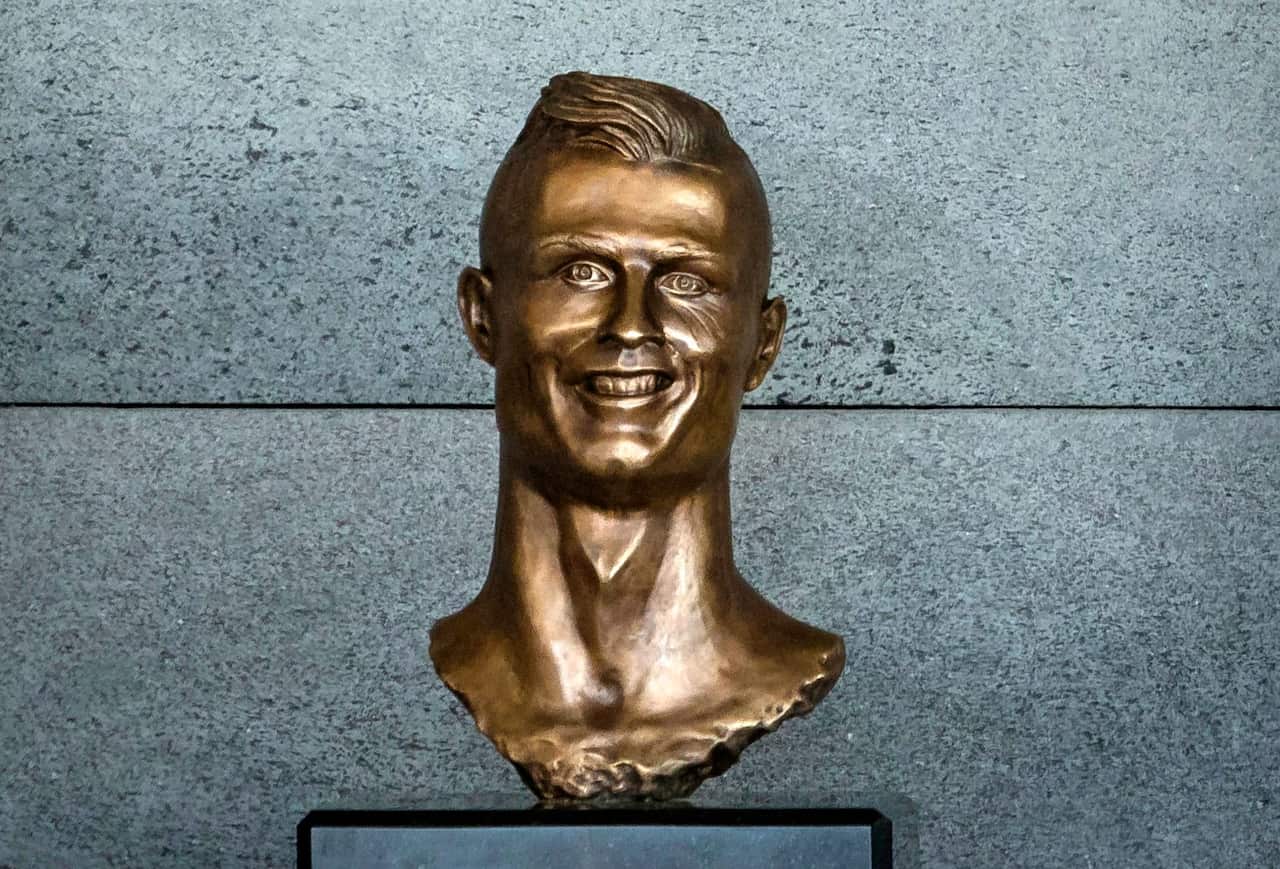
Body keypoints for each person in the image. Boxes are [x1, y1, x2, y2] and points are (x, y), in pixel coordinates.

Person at [430, 71, 844, 799]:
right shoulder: (462, 657)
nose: (631, 325)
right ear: (484, 317)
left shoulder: (787, 665)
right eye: (581, 271)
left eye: (687, 282)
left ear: (762, 343)